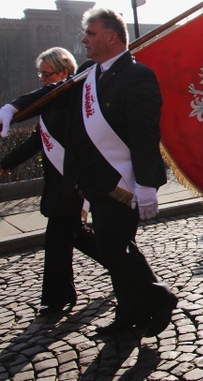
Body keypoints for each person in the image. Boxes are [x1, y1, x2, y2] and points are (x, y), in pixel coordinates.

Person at [3, 9, 178, 336]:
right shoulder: (88, 72)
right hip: (93, 182)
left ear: (112, 37)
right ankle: (129, 314)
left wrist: (147, 184)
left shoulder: (136, 76)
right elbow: (50, 95)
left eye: (91, 33)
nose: (83, 39)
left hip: (121, 181)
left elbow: (144, 134)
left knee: (113, 248)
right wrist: (13, 106)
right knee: (118, 247)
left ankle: (160, 297)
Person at [0, 47, 99, 315]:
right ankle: (124, 265)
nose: (42, 80)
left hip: (70, 183)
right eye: (40, 74)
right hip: (58, 183)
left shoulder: (71, 99)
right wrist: (6, 162)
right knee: (77, 236)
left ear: (65, 72)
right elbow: (36, 141)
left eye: (47, 74)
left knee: (57, 239)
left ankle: (57, 297)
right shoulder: (52, 102)